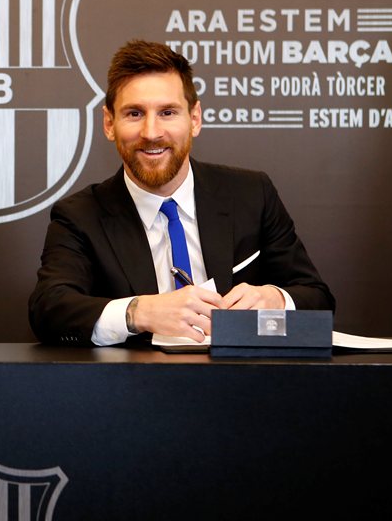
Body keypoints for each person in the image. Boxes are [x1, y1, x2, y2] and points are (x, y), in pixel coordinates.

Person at [29, 40, 333, 346]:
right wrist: (139, 311)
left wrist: (275, 300)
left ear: (195, 119)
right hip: (133, 387)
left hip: (243, 384)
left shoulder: (252, 194)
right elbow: (49, 309)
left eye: (168, 112)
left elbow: (317, 298)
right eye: (134, 113)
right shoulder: (79, 215)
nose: (151, 132)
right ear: (109, 123)